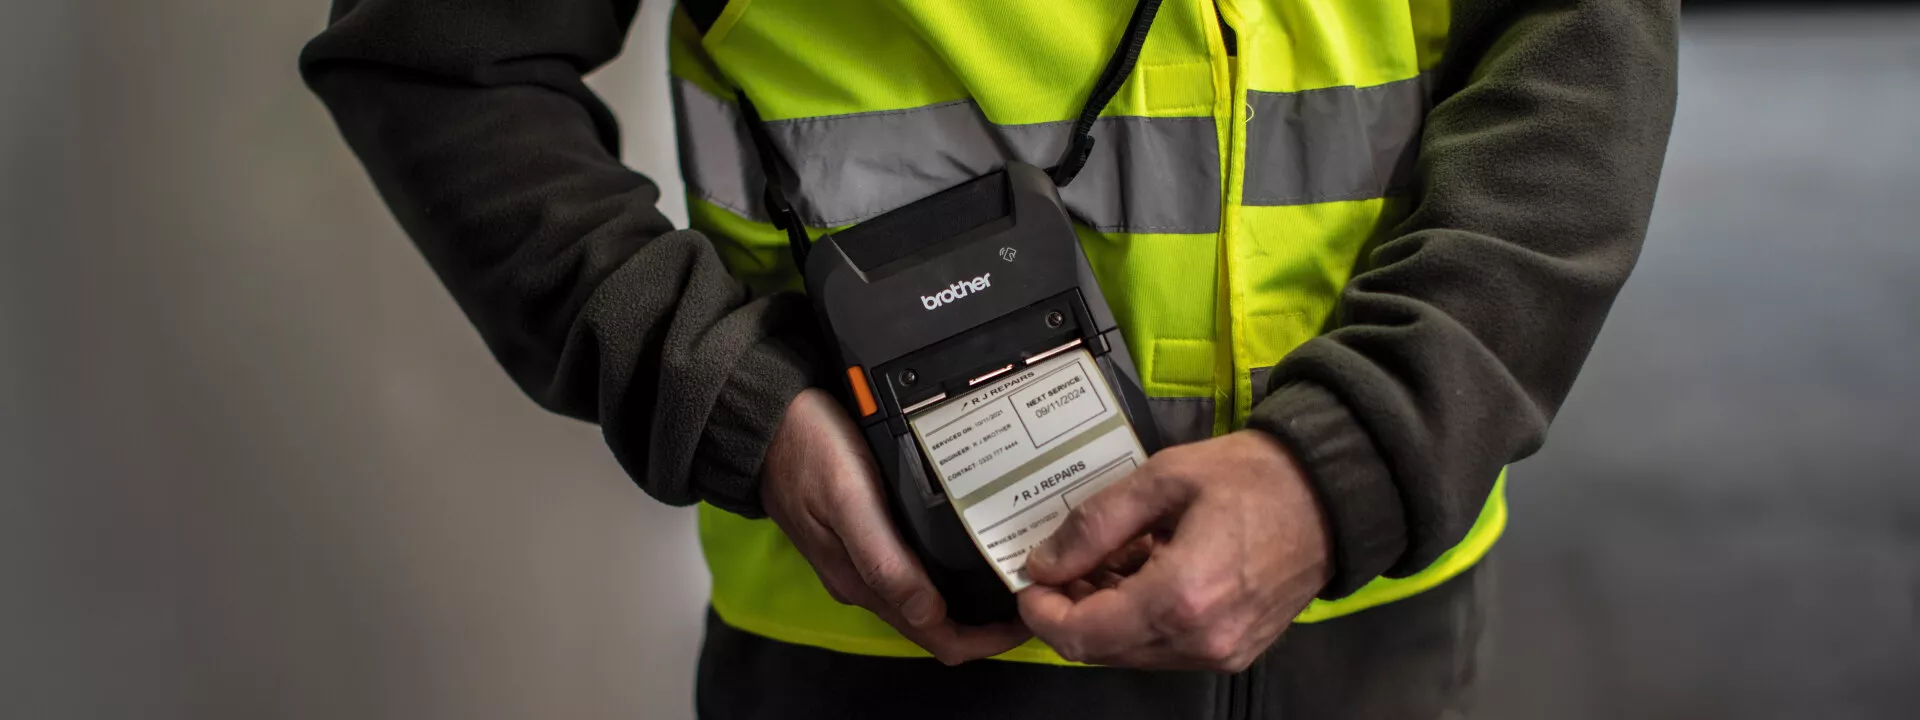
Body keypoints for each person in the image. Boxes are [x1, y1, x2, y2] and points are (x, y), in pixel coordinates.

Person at [301, 0, 1676, 716]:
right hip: (902, 644)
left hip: (1374, 619)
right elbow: (437, 60)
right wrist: (727, 398)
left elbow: (1579, 36)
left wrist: (1361, 460)